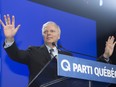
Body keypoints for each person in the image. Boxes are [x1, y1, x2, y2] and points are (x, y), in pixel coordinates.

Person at [0, 14, 116, 83]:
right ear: (43, 36)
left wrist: (105, 56)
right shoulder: (33, 51)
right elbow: (16, 55)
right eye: (45, 32)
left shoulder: (67, 57)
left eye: (52, 31)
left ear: (59, 35)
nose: (48, 33)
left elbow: (88, 71)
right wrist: (9, 39)